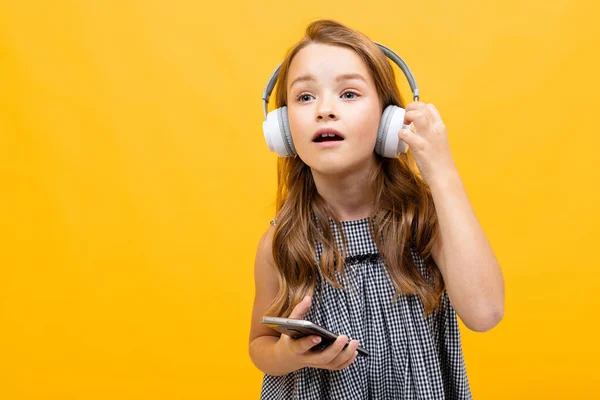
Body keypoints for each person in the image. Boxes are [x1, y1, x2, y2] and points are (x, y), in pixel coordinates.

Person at [249, 19, 504, 399]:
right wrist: (287, 354)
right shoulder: (282, 242)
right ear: (283, 130)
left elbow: (485, 313)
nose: (325, 110)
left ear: (390, 121)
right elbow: (260, 345)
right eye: (305, 97)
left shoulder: (422, 221)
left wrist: (442, 173)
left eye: (349, 94)